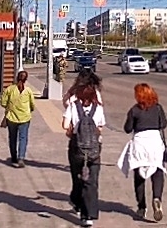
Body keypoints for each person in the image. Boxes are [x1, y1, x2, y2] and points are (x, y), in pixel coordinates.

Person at [118, 83, 167, 222]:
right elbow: (163, 124)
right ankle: (157, 198)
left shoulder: (134, 110)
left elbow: (127, 128)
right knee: (157, 171)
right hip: (155, 142)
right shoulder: (158, 108)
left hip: (140, 143)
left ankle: (141, 207)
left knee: (139, 175)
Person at [62, 81, 105, 227]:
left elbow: (65, 125)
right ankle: (88, 216)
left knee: (78, 179)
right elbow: (100, 127)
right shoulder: (98, 107)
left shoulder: (73, 106)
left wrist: (73, 132)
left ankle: (77, 202)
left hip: (76, 149)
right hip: (94, 150)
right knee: (91, 182)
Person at [0, 70, 35, 167]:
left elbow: (3, 102)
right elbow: (32, 105)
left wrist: (9, 107)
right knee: (23, 138)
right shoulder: (28, 91)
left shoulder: (10, 89)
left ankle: (14, 157)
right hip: (25, 118)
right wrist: (28, 110)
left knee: (12, 138)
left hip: (11, 118)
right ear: (26, 79)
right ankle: (21, 158)